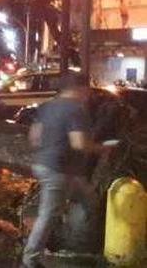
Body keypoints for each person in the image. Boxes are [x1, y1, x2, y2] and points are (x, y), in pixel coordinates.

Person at [21, 75, 111, 268]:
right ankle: (30, 259)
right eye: (87, 90)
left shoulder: (47, 106)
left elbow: (34, 137)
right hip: (59, 170)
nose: (88, 94)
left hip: (48, 166)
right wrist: (103, 148)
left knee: (89, 200)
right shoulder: (76, 109)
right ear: (80, 89)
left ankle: (79, 242)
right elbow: (79, 143)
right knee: (48, 214)